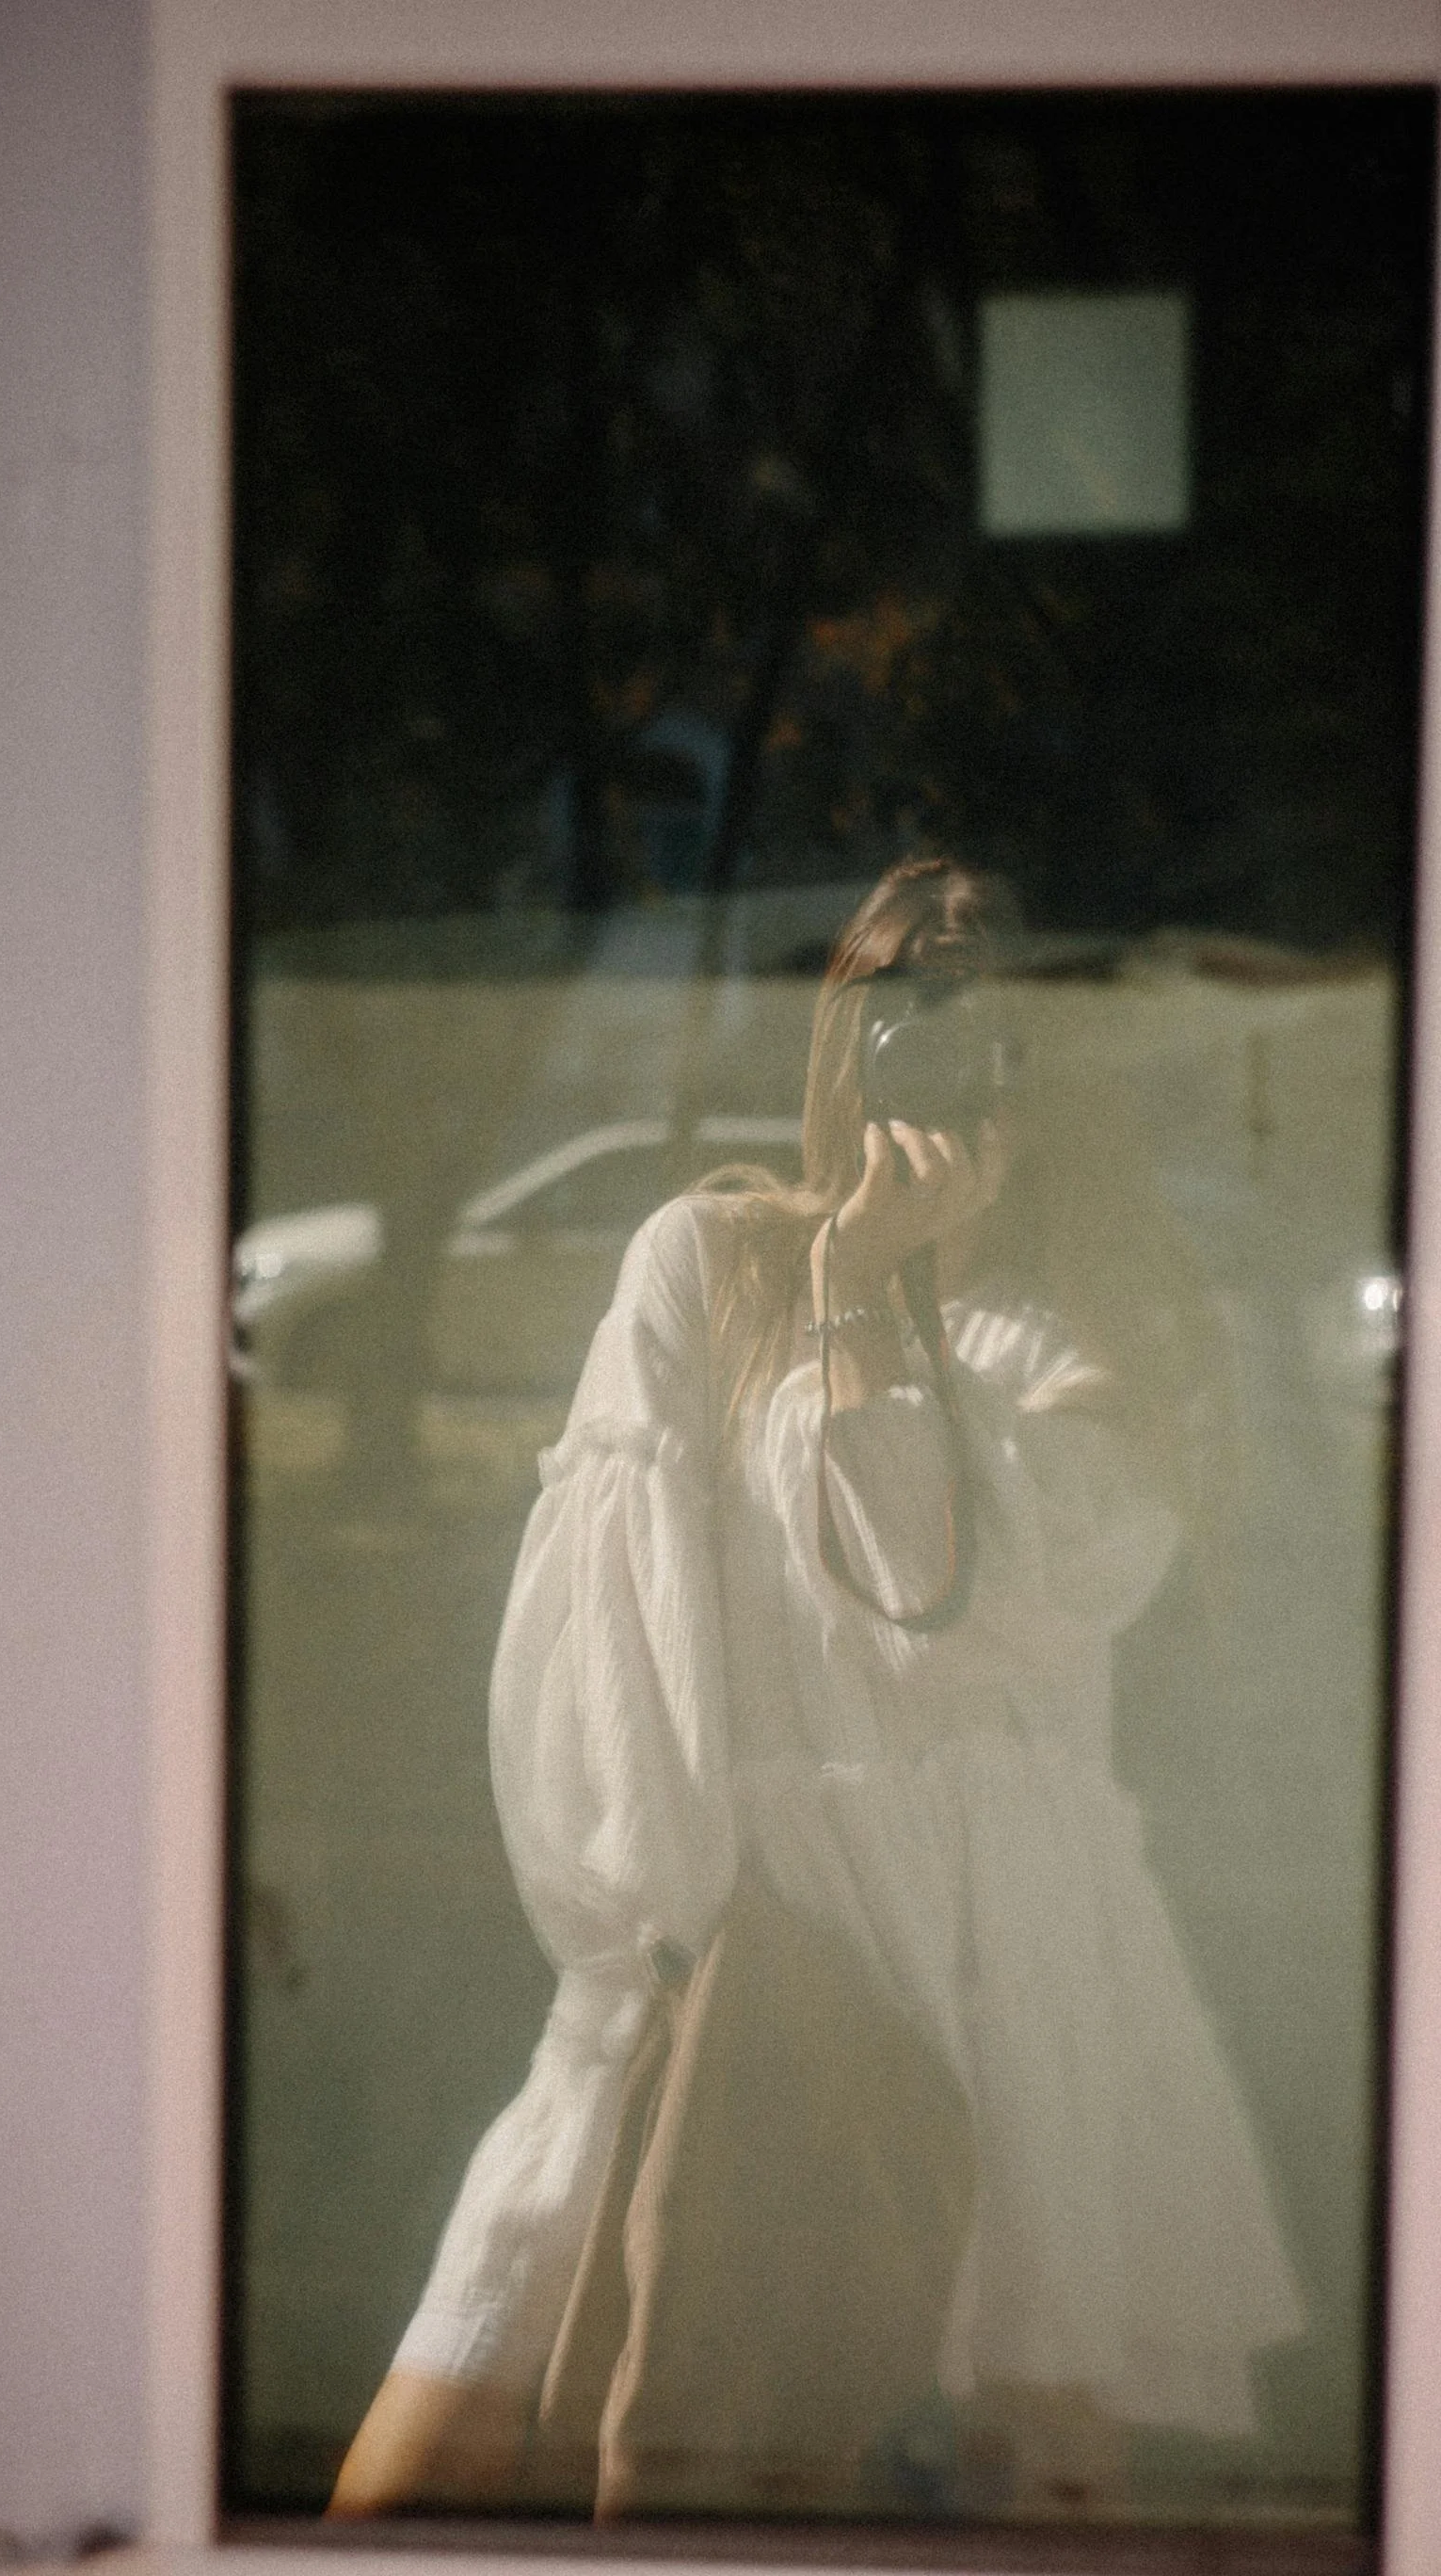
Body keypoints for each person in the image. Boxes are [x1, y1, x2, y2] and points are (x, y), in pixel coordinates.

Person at [329, 857, 1303, 2521]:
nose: (928, 1054)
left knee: (1027, 2464)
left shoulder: (1098, 1336)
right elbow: (606, 1635)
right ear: (839, 1043)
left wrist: (870, 1301)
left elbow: (961, 1595)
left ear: (1039, 1066)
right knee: (469, 2419)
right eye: (893, 1012)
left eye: (979, 1020)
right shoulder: (706, 1263)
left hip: (1011, 1956)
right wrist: (646, 1931)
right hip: (734, 1930)